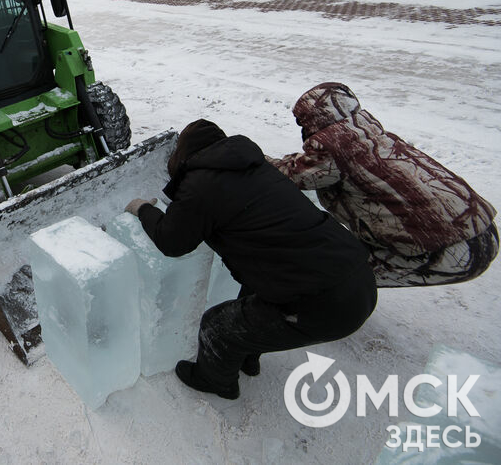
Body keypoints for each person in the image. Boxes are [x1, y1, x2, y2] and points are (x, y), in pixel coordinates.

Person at [125, 119, 377, 400]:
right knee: (253, 296)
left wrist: (144, 209)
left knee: (217, 326)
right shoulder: (256, 166)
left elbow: (172, 242)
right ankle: (247, 354)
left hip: (326, 302)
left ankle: (215, 381)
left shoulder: (200, 185)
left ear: (184, 155)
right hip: (355, 272)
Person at [270, 82, 497, 288]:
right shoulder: (371, 137)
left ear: (313, 118)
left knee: (330, 273)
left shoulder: (335, 149)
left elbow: (292, 175)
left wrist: (254, 156)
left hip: (447, 253)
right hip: (483, 232)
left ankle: (303, 319)